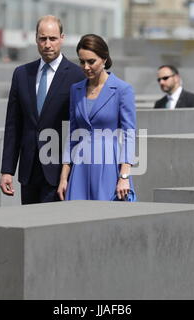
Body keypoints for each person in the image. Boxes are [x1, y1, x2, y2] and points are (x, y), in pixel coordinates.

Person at [0, 16, 85, 204]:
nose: (47, 44)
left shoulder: (77, 76)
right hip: (28, 172)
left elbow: (80, 128)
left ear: (62, 38)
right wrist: (7, 170)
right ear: (36, 39)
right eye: (43, 38)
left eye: (52, 39)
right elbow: (13, 125)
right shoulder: (22, 74)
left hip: (59, 172)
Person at [57, 34, 137, 201]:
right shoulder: (76, 90)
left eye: (91, 61)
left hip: (108, 163)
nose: (86, 67)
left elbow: (130, 134)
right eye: (82, 61)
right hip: (80, 166)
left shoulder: (122, 90)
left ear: (104, 59)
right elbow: (72, 134)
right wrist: (64, 177)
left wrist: (124, 177)